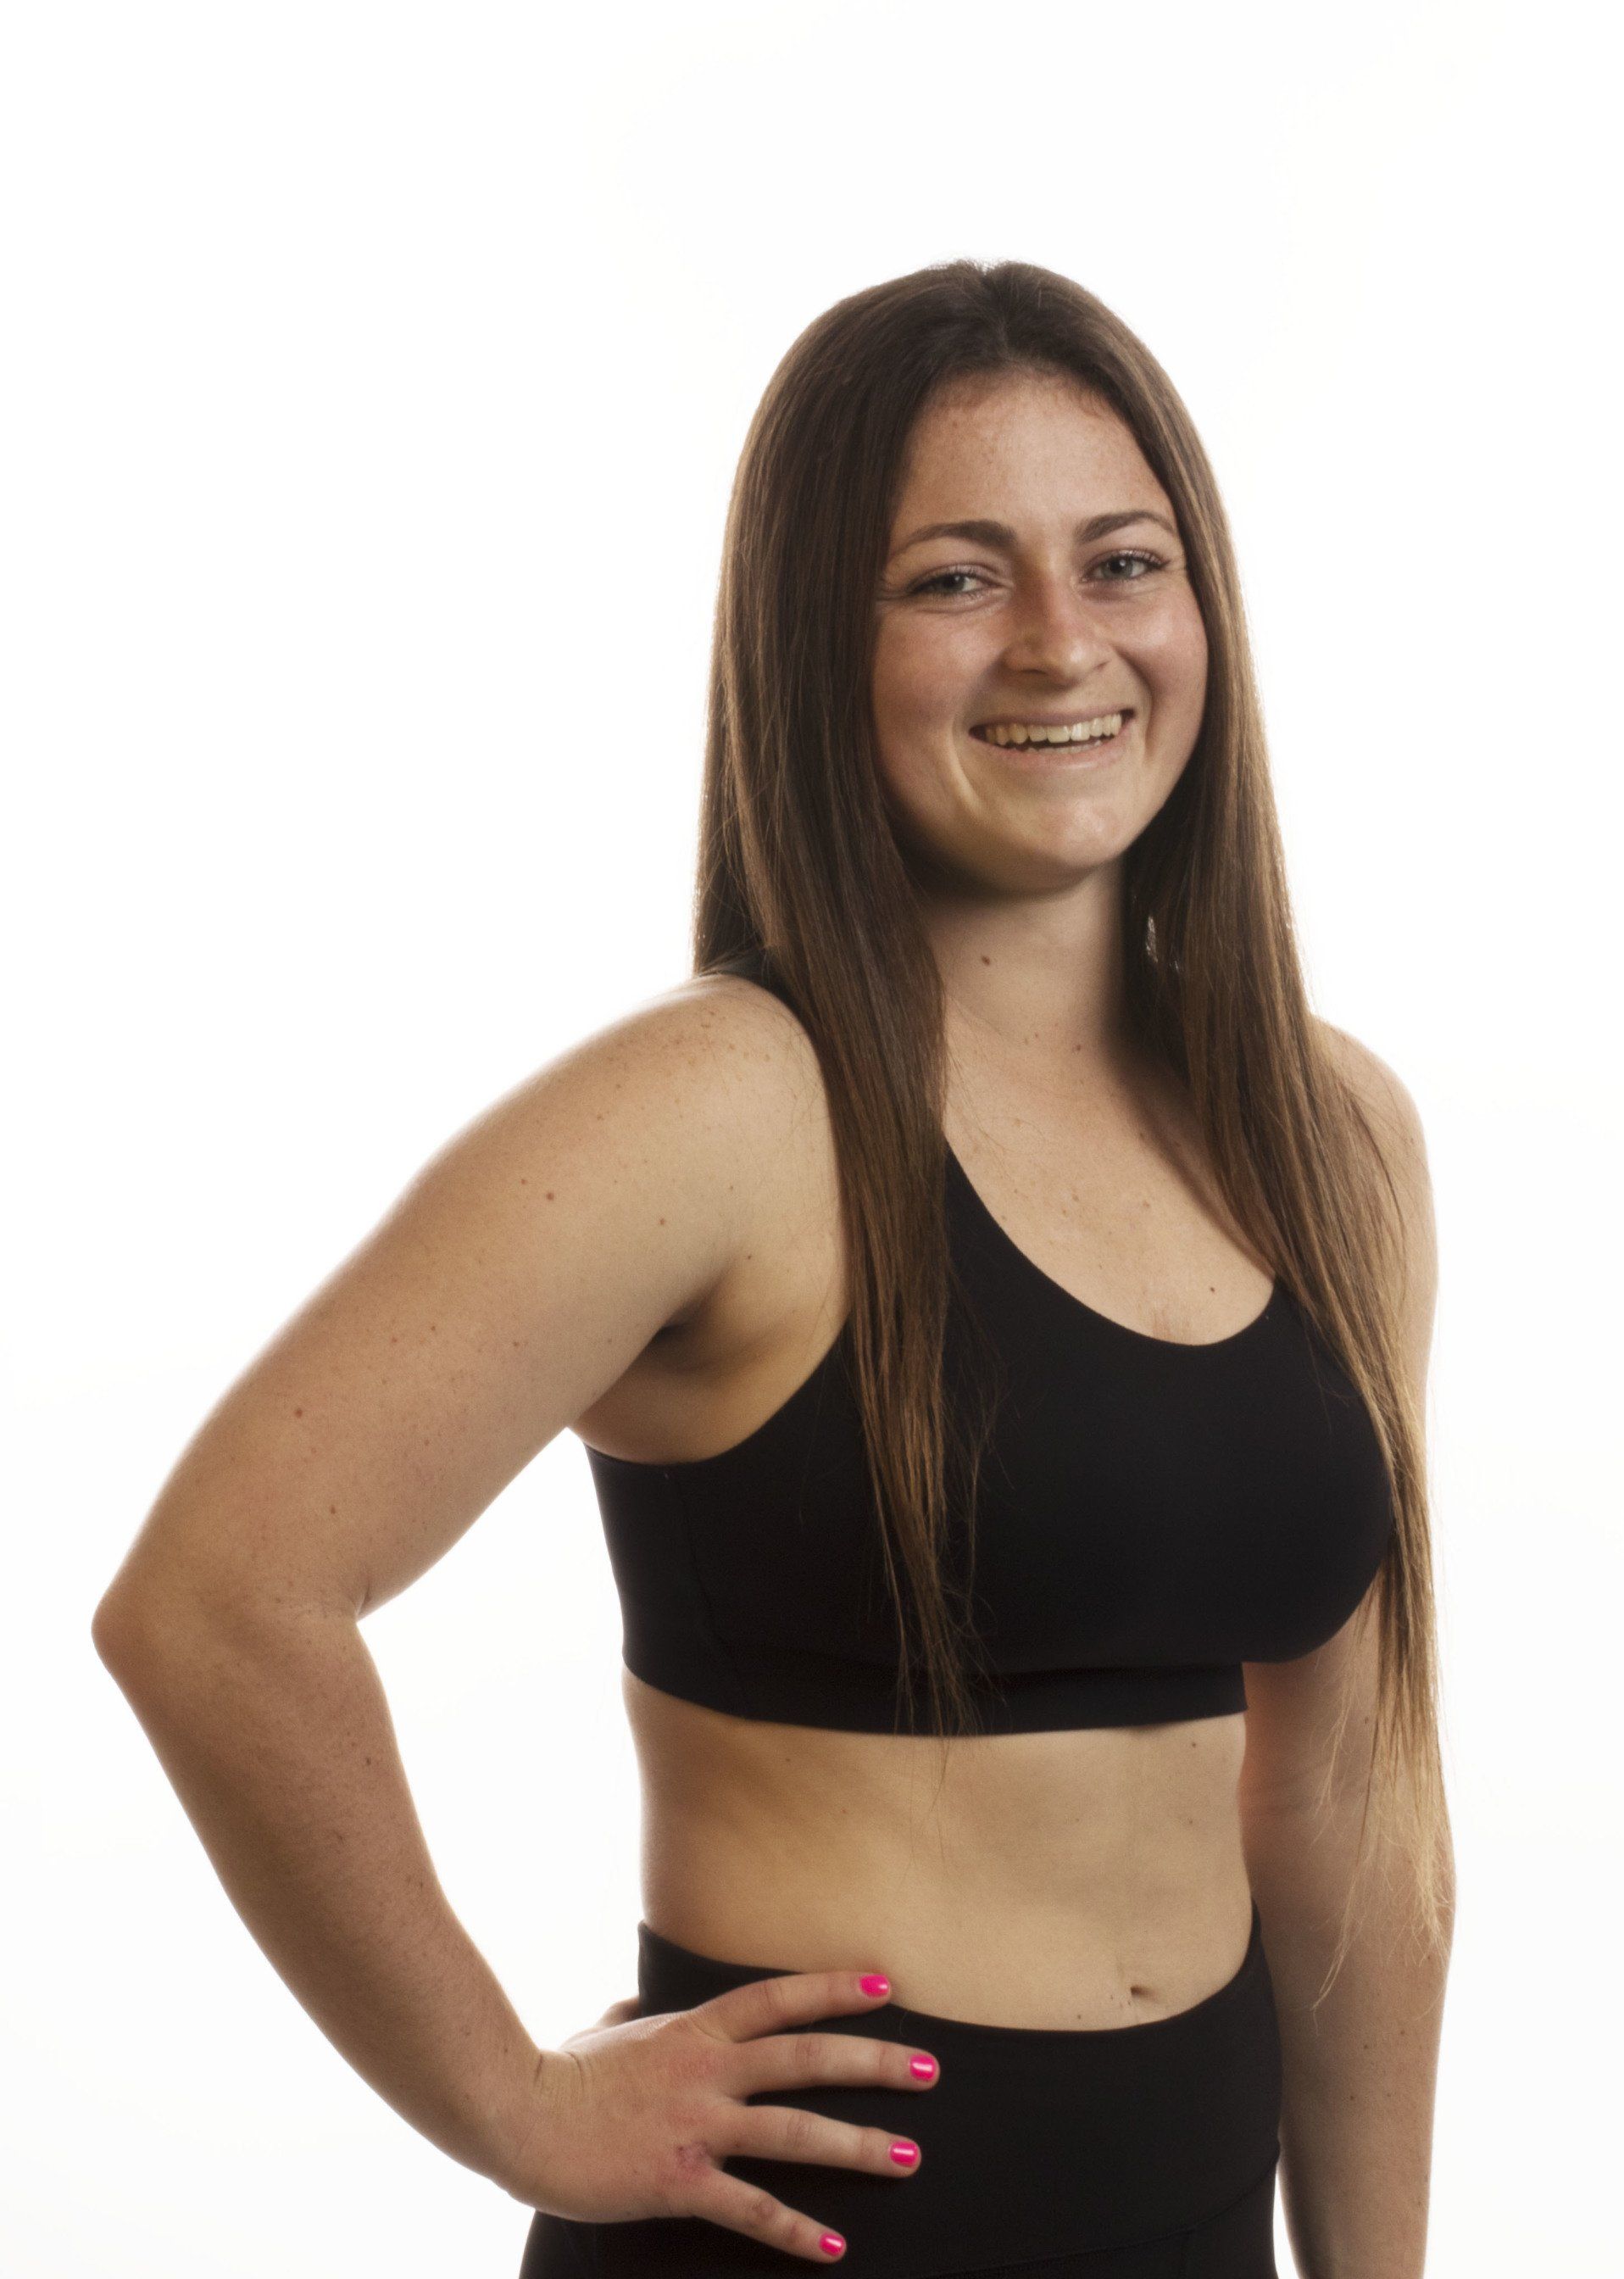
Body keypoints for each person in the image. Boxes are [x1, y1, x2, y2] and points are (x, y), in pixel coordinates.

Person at [92, 259, 1454, 2279]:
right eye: (956, 579)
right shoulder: (718, 1111)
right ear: (820, 638)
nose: (1063, 639)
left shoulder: (1332, 1137)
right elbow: (218, 1601)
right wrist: (509, 2103)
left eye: (1124, 561)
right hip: (802, 2245)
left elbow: (1344, 1808)